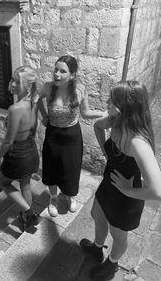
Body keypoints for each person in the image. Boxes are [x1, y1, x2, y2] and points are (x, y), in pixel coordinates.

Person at [80, 80, 161, 280]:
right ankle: (97, 248)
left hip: (127, 197)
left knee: (118, 234)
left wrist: (128, 191)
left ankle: (111, 265)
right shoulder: (114, 121)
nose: (107, 103)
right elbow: (97, 126)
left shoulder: (138, 143)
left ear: (125, 108)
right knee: (96, 214)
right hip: (109, 183)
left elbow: (158, 191)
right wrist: (105, 150)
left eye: (112, 101)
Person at [38, 55, 105, 217]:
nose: (57, 74)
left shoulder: (80, 89)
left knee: (71, 169)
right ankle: (53, 198)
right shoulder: (47, 87)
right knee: (51, 168)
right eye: (56, 69)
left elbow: (85, 112)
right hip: (53, 135)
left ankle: (69, 195)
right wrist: (44, 116)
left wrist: (104, 113)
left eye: (62, 71)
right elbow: (37, 99)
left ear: (72, 75)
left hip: (72, 136)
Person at [0, 66, 40, 230]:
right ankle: (27, 217)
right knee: (25, 184)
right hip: (30, 149)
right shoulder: (34, 101)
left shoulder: (15, 109)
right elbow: (35, 128)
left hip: (18, 154)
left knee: (4, 182)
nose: (12, 84)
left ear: (27, 86)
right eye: (12, 79)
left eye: (16, 81)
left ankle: (29, 211)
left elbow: (8, 141)